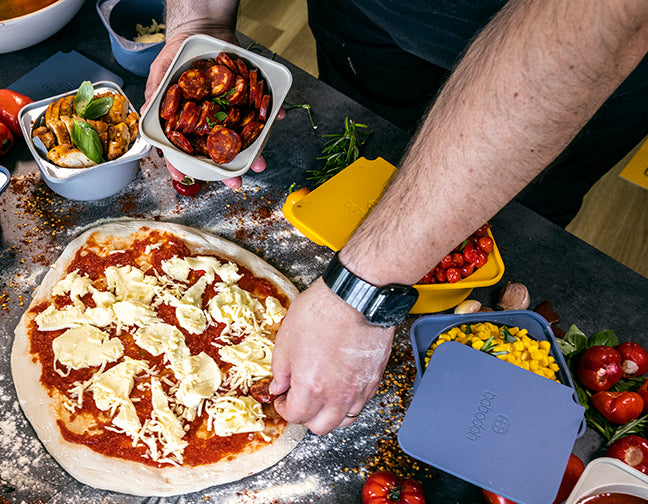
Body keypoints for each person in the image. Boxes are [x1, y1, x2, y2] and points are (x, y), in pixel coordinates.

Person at [145, 0, 648, 435]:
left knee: (518, 229)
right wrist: (200, 26)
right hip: (373, 25)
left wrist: (362, 292)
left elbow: (588, 29)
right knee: (358, 157)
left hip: (569, 74)